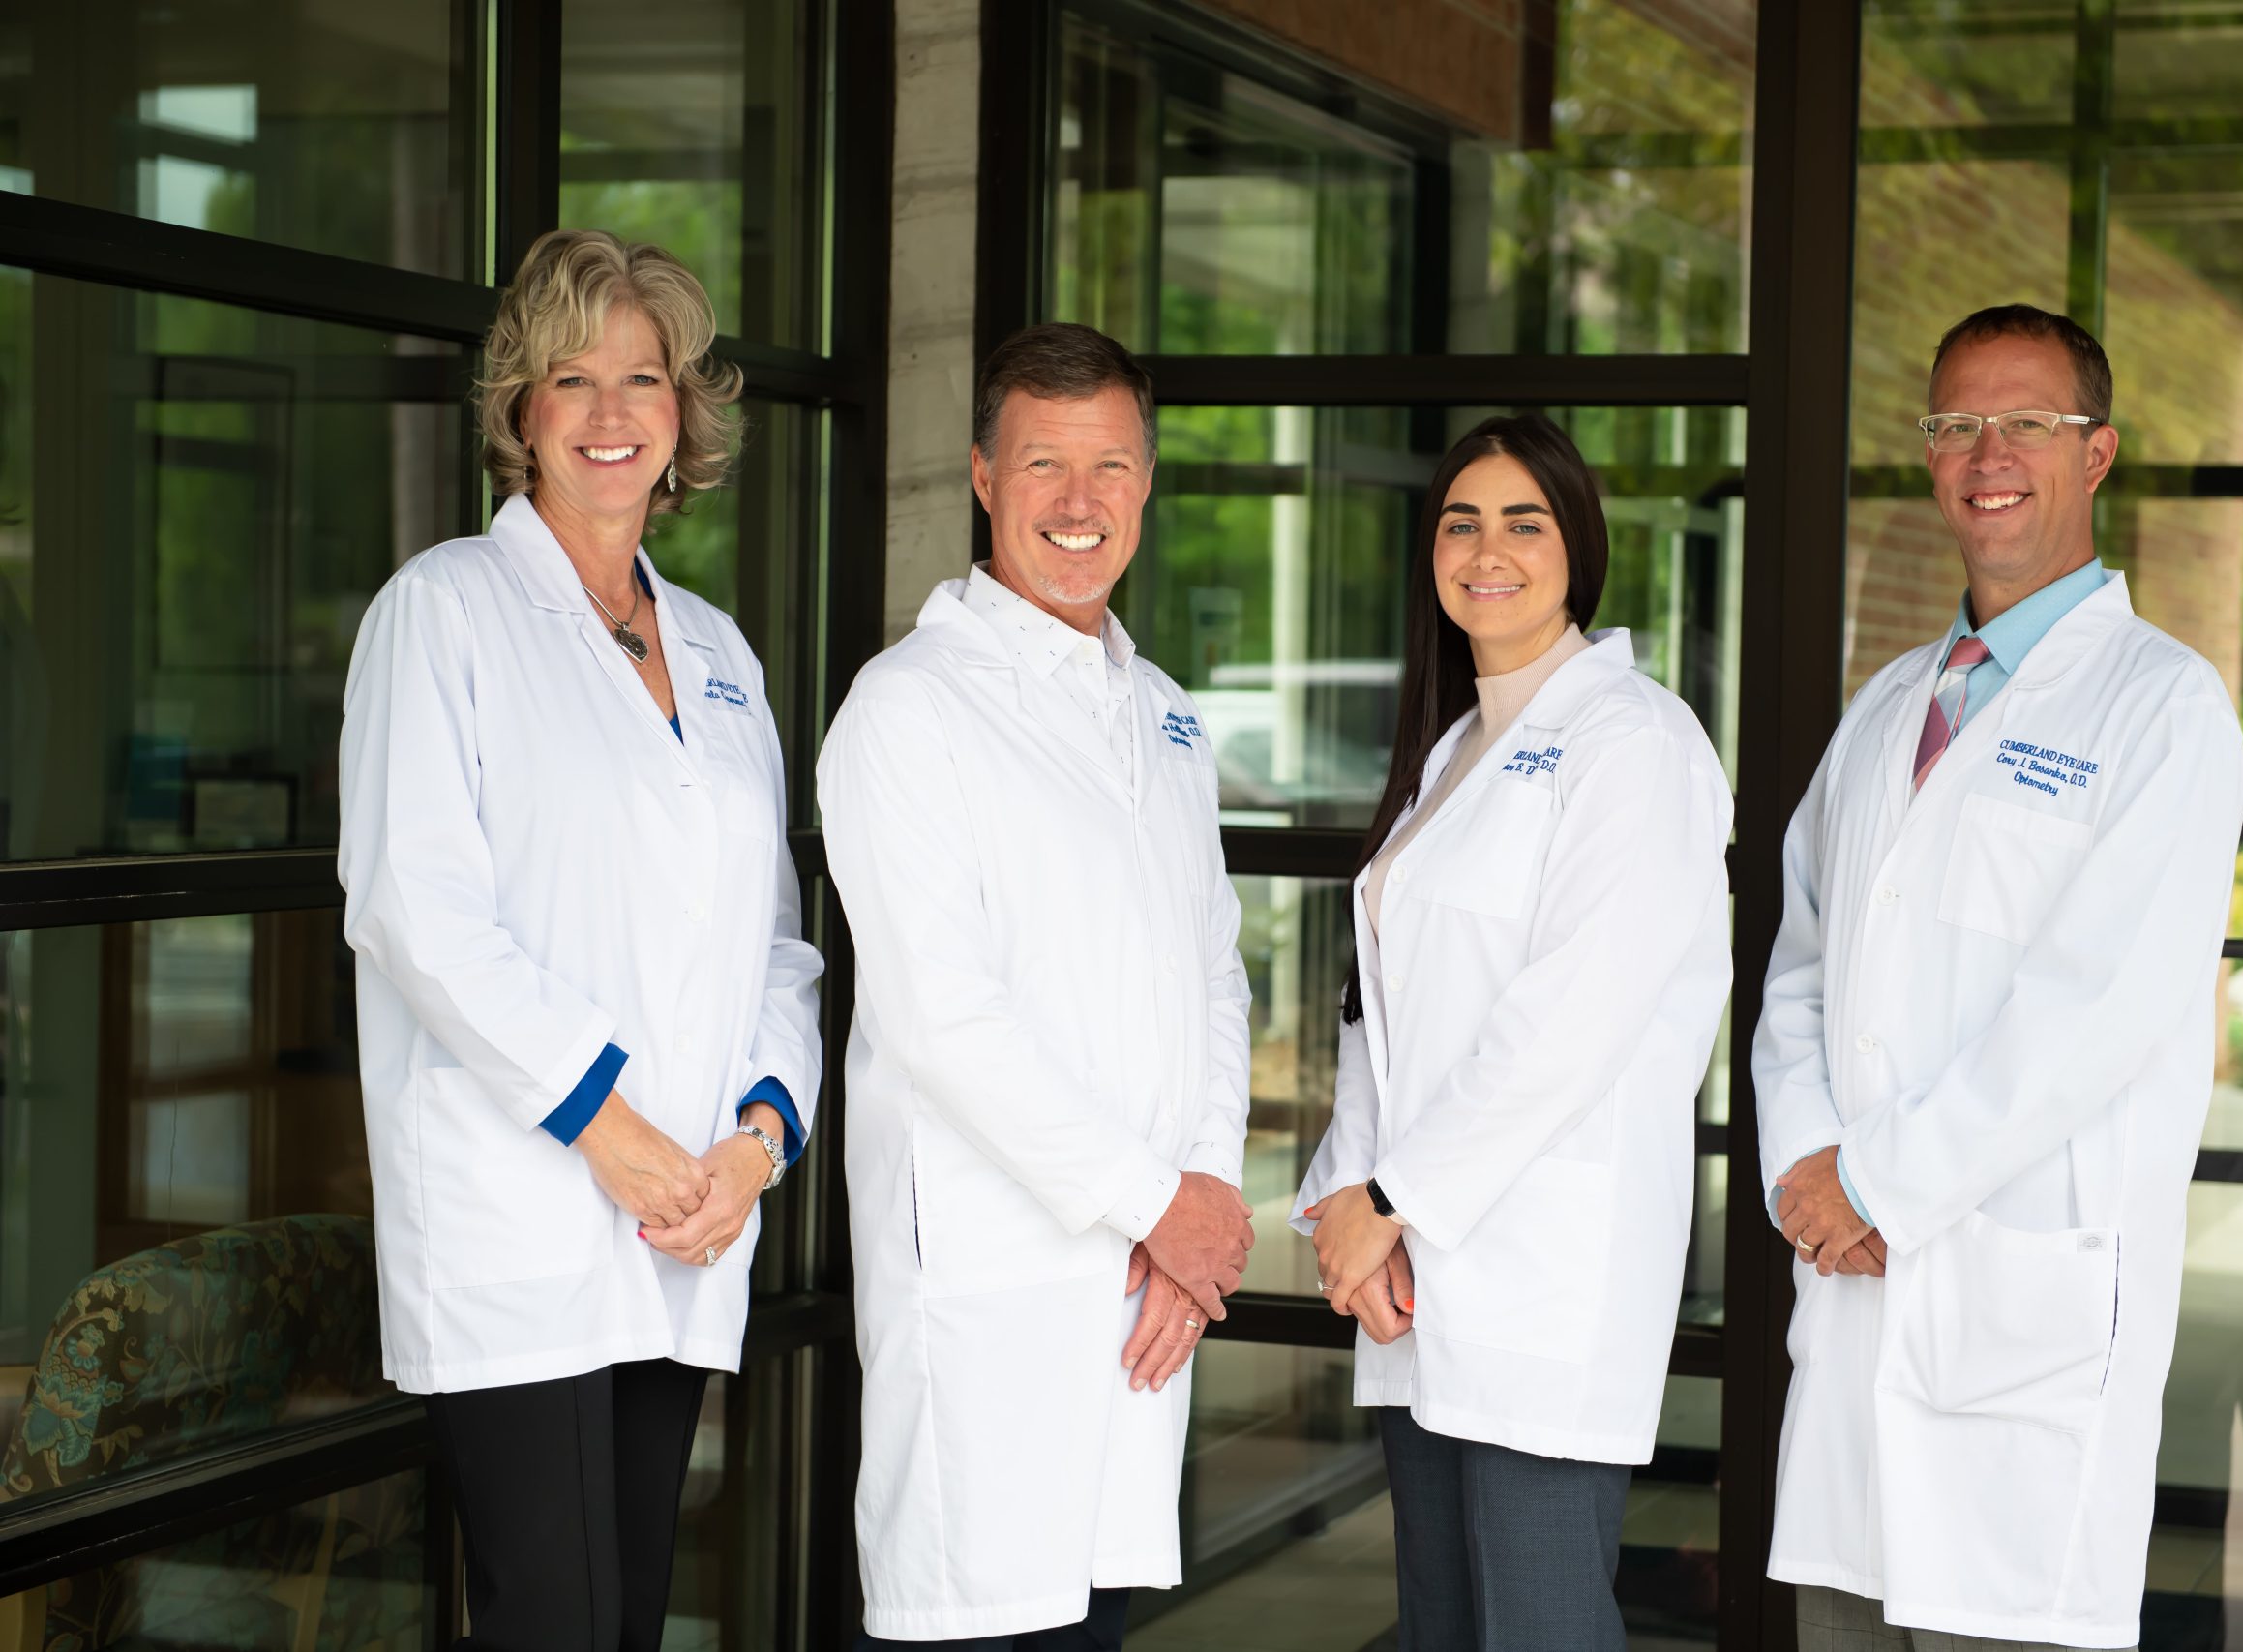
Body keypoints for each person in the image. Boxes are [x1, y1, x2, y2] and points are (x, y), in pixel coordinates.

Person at [338, 228, 822, 1652]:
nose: (612, 415)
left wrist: (754, 1138)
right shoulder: (441, 613)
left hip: (681, 1217)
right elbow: (414, 907)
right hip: (529, 1214)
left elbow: (777, 941)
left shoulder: (723, 653)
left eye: (643, 379)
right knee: (553, 1621)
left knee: (619, 1617)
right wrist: (607, 1127)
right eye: (573, 380)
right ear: (521, 412)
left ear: (684, 415)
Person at [1754, 304, 2243, 1650]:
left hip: (2022, 1324)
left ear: (2098, 454)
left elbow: (2093, 1010)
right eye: (1957, 423)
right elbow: (1801, 957)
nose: (1990, 452)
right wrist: (1809, 1161)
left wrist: (1875, 1182)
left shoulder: (2163, 708)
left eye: (2028, 421)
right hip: (1855, 1308)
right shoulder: (1886, 707)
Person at [818, 322, 1256, 1648]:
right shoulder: (906, 710)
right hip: (996, 1301)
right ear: (983, 478)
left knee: (1094, 1615)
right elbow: (945, 1020)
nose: (1081, 501)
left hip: (1135, 1294)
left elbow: (1214, 971)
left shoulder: (1164, 711)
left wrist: (1208, 1193)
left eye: (1112, 465)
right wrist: (1155, 1203)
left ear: (1148, 484)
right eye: (1046, 464)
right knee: (992, 1614)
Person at [1293, 412, 1733, 1651]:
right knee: (1443, 1626)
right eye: (1459, 522)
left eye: (1522, 522)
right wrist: (1350, 1206)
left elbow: (1567, 1021)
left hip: (1544, 1282)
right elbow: (1388, 1016)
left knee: (1538, 1627)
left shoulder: (1634, 740)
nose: (1487, 551)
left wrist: (1392, 1198)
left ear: (1576, 550)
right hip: (1424, 1278)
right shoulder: (1457, 747)